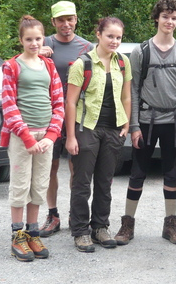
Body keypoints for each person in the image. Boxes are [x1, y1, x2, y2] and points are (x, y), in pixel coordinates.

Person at [113, 0, 176, 246]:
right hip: (147, 121)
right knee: (137, 173)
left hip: (173, 121)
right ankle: (127, 223)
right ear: (156, 18)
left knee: (172, 173)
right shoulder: (141, 51)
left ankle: (170, 224)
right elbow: (133, 90)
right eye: (165, 16)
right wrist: (135, 126)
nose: (169, 22)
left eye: (173, 18)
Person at [0, 15, 64, 262]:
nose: (34, 43)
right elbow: (8, 105)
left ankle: (32, 232)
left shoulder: (49, 66)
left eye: (38, 38)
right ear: (21, 40)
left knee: (39, 185)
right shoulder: (12, 66)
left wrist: (51, 135)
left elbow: (58, 102)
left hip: (45, 137)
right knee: (20, 186)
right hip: (21, 136)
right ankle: (18, 236)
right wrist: (27, 138)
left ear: (43, 39)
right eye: (29, 39)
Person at [65, 17, 132, 253]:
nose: (114, 41)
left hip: (113, 131)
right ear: (98, 35)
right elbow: (70, 102)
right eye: (110, 36)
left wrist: (126, 124)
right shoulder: (82, 64)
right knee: (82, 183)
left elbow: (126, 96)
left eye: (118, 37)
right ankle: (81, 231)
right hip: (87, 129)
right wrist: (71, 137)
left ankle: (100, 227)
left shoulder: (123, 62)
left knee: (105, 182)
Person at [38, 0, 93, 237]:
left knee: (76, 167)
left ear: (76, 19)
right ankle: (52, 214)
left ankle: (75, 213)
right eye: (61, 20)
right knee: (49, 167)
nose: (66, 24)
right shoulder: (43, 43)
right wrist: (35, 53)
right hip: (49, 116)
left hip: (77, 116)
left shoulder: (87, 47)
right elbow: (19, 66)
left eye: (70, 19)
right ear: (53, 22)